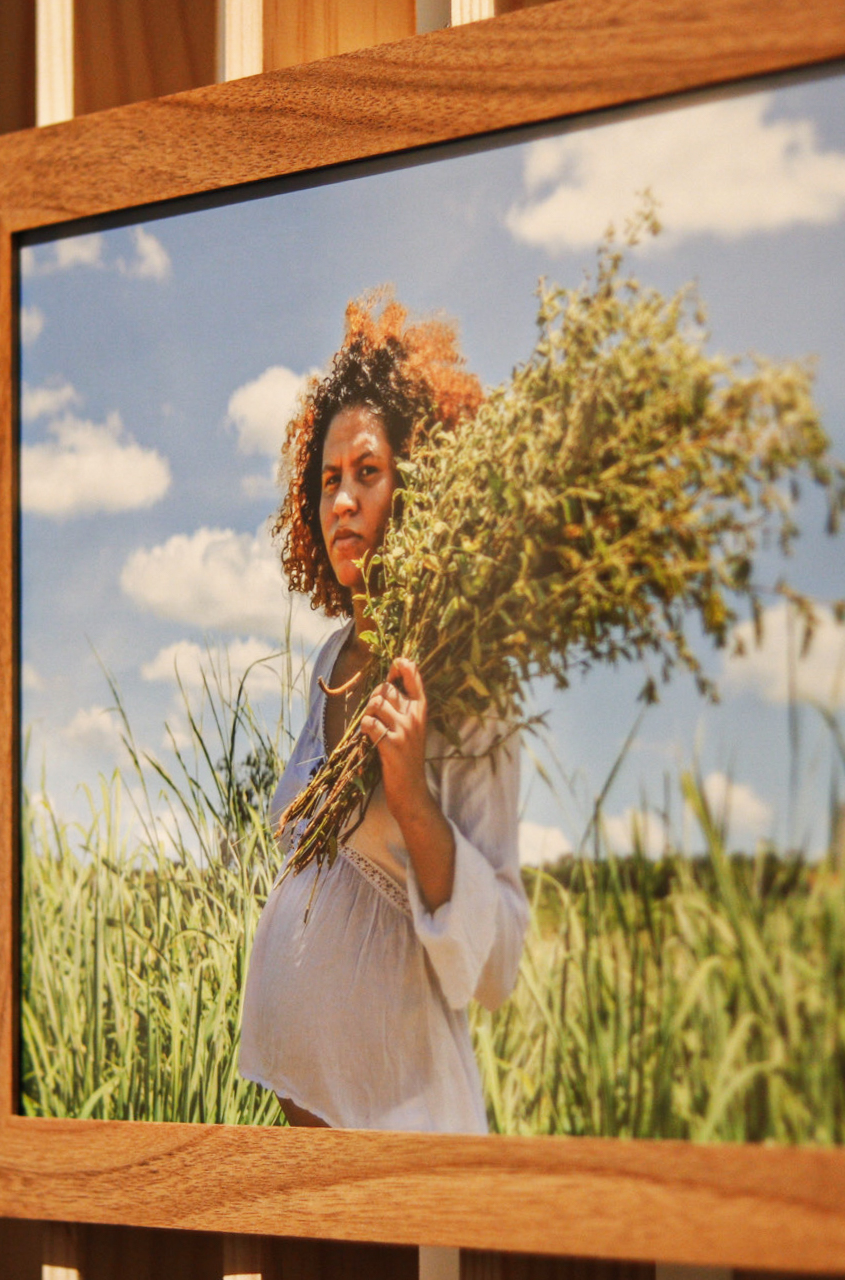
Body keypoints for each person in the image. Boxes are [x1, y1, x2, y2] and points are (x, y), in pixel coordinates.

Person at [237, 292, 530, 1134]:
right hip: (303, 1140)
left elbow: (500, 964)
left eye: (367, 472)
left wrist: (411, 797)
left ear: (421, 482)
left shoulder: (468, 683)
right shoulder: (330, 662)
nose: (342, 500)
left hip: (403, 1143)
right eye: (328, 479)